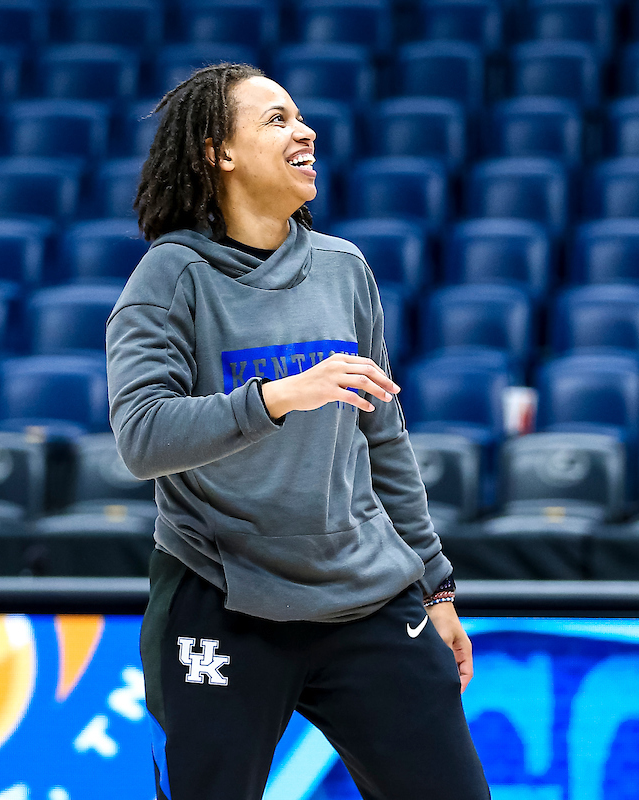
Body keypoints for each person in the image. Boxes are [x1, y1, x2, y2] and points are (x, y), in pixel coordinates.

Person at [106, 62, 490, 800]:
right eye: (277, 119)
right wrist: (278, 397)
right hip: (222, 595)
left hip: (367, 595)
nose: (305, 131)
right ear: (218, 151)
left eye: (302, 117)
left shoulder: (344, 269)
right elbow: (142, 437)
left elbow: (384, 440)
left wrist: (436, 587)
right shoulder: (169, 278)